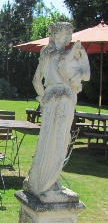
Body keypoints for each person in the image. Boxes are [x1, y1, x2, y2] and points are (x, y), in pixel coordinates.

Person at [23, 22, 90, 203]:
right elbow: (38, 79)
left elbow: (37, 81)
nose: (69, 38)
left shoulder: (51, 54)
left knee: (54, 140)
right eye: (66, 34)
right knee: (56, 140)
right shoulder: (60, 55)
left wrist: (43, 97)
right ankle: (46, 184)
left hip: (55, 100)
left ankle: (45, 181)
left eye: (70, 34)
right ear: (57, 35)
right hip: (61, 101)